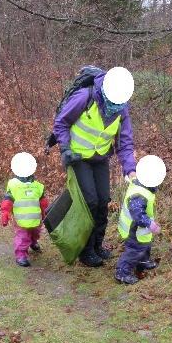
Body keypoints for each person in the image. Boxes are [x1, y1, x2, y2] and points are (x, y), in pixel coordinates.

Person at [53, 66, 137, 267]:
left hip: (99, 158)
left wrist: (130, 169)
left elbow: (124, 144)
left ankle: (98, 245)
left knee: (103, 201)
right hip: (78, 157)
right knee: (89, 201)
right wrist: (65, 148)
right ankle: (86, 250)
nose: (117, 105)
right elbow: (61, 123)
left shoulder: (121, 109)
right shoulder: (85, 97)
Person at [115, 155, 166, 285]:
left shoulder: (142, 184)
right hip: (134, 229)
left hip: (141, 230)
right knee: (135, 250)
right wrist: (150, 224)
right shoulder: (138, 195)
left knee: (145, 244)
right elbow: (138, 215)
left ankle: (143, 261)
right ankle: (122, 271)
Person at [0, 152, 50, 267]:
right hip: (21, 220)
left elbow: (42, 201)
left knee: (36, 233)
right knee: (23, 237)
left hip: (36, 219)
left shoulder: (38, 186)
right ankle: (21, 255)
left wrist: (45, 212)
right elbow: (7, 200)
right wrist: (5, 212)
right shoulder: (14, 185)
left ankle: (33, 242)